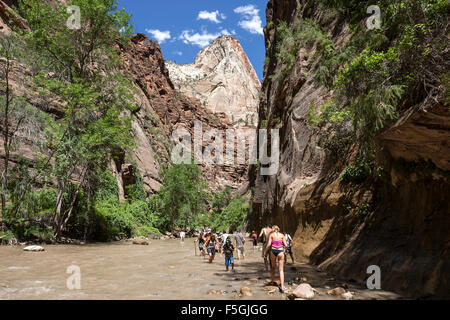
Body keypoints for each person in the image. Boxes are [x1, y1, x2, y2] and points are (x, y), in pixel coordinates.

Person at [264, 225, 287, 293]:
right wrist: (285, 252)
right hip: (280, 251)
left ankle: (272, 281)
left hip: (273, 251)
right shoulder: (282, 235)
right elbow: (286, 245)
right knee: (281, 270)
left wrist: (265, 252)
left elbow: (268, 245)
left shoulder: (271, 235)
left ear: (273, 229)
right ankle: (282, 286)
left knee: (273, 267)